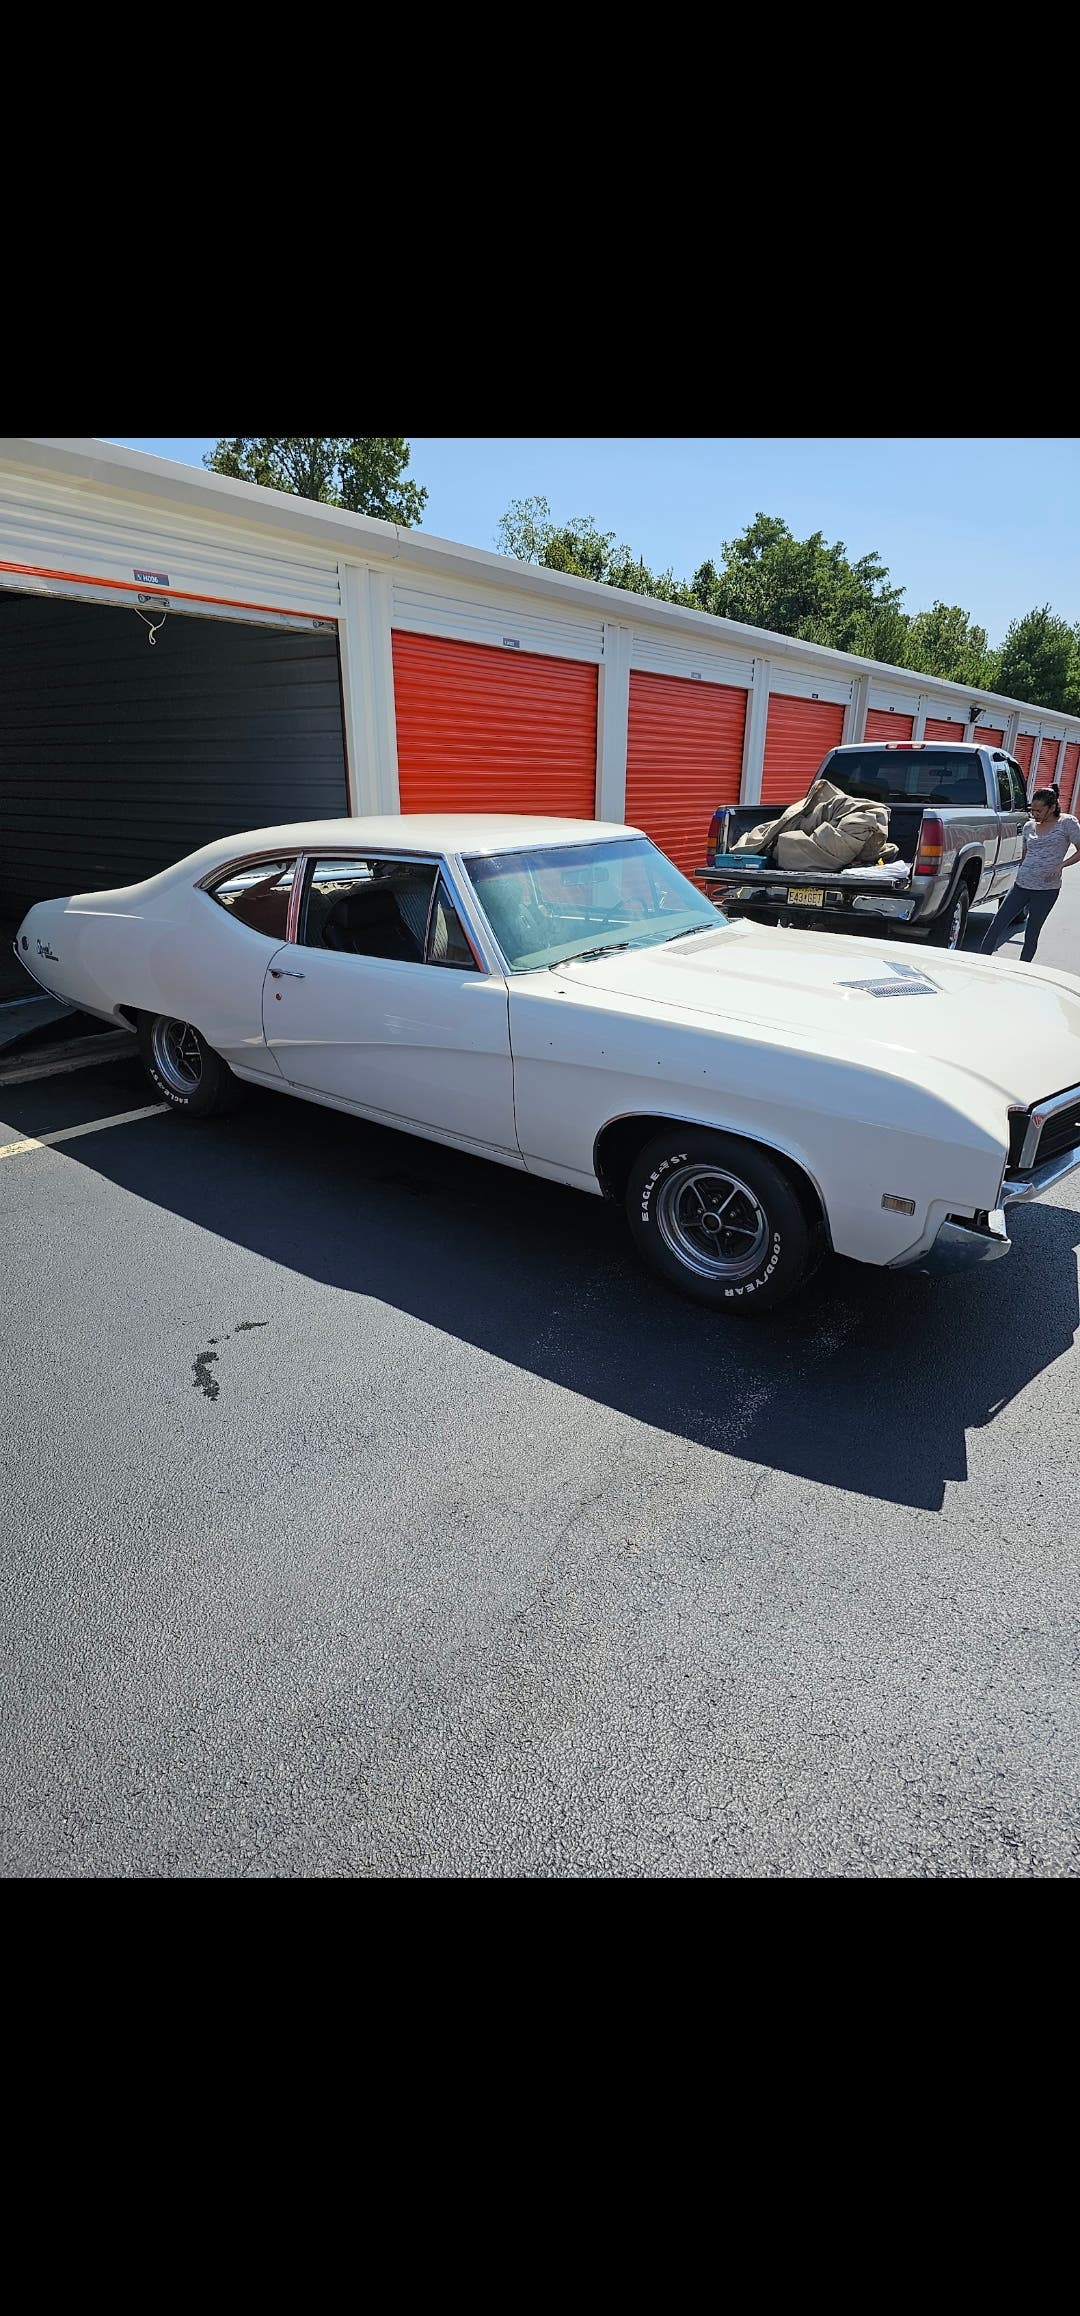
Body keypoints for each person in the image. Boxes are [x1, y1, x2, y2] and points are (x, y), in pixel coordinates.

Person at [980, 782, 1080, 962]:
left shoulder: (1067, 823)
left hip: (1046, 889)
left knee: (1032, 932)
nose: (1034, 814)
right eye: (1032, 810)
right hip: (1022, 884)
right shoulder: (1028, 826)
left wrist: (1061, 865)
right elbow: (1025, 855)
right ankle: (980, 962)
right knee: (997, 924)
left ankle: (1023, 969)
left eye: (1039, 811)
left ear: (1051, 807)